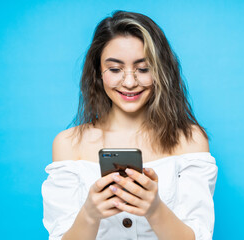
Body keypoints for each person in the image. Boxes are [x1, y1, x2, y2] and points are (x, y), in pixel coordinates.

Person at [42, 10, 218, 240]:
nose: (129, 82)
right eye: (115, 69)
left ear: (160, 71)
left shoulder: (190, 140)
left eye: (143, 69)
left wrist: (154, 209)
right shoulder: (68, 144)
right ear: (98, 73)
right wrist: (90, 214)